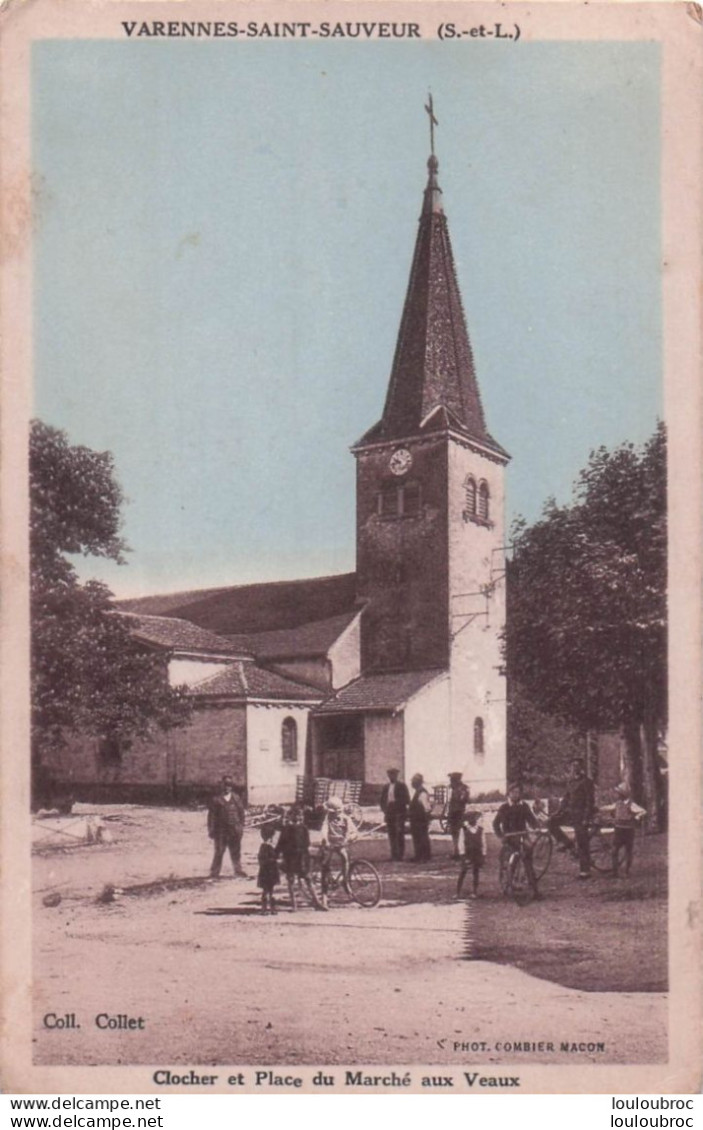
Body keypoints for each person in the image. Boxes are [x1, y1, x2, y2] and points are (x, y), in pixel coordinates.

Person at [548, 759, 596, 879]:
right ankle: (567, 843)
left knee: (582, 840)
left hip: (582, 815)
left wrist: (586, 818)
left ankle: (585, 871)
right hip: (570, 813)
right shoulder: (570, 782)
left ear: (581, 768)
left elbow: (590, 802)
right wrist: (558, 812)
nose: (574, 768)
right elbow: (565, 799)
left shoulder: (587, 782)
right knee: (550, 823)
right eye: (572, 766)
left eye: (577, 766)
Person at [493, 783, 540, 898]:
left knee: (528, 858)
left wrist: (536, 827)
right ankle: (509, 885)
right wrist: (501, 836)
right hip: (510, 838)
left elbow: (531, 819)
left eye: (518, 792)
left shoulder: (524, 806)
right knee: (511, 861)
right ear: (508, 794)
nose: (515, 795)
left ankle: (534, 889)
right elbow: (495, 824)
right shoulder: (504, 807)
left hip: (522, 836)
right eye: (513, 792)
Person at [276, 805, 320, 909]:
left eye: (299, 815)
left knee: (307, 879)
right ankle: (294, 904)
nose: (298, 818)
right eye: (295, 815)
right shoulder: (288, 829)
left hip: (300, 857)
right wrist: (277, 855)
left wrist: (278, 853)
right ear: (291, 816)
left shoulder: (301, 828)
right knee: (292, 880)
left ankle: (316, 902)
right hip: (292, 857)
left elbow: (307, 843)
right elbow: (281, 843)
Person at [318, 796, 356, 910]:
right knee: (325, 866)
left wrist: (350, 837)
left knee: (345, 858)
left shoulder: (346, 819)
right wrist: (326, 840)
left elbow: (353, 831)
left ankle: (345, 881)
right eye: (333, 813)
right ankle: (324, 897)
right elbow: (324, 830)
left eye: (337, 812)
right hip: (329, 844)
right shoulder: (327, 819)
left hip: (341, 844)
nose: (335, 815)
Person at [601, 782, 646, 877]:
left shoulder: (631, 804)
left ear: (623, 794)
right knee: (614, 850)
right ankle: (615, 872)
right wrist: (599, 809)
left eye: (618, 793)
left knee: (628, 851)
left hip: (628, 831)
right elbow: (608, 808)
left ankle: (626, 871)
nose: (616, 795)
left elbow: (643, 811)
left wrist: (637, 816)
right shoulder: (617, 804)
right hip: (618, 830)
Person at [207, 775, 247, 878]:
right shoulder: (216, 800)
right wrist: (211, 830)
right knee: (219, 851)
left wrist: (240, 827)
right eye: (225, 785)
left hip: (234, 830)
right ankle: (215, 872)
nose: (227, 787)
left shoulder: (236, 798)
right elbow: (211, 816)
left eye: (229, 785)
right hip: (221, 831)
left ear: (231, 786)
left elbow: (241, 814)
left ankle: (238, 870)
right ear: (222, 785)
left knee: (236, 851)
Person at [380, 768, 410, 861]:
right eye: (390, 775)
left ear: (396, 776)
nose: (391, 777)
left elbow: (406, 799)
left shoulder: (402, 786)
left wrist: (396, 804)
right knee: (391, 834)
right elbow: (382, 800)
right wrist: (385, 809)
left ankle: (400, 855)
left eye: (393, 775)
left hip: (399, 813)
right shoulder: (386, 787)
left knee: (399, 833)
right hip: (389, 813)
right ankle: (393, 855)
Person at [456, 811, 486, 899]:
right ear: (467, 820)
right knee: (463, 871)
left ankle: (474, 891)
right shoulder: (464, 829)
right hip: (467, 853)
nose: (472, 820)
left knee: (476, 872)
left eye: (474, 818)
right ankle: (458, 892)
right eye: (470, 818)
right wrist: (462, 854)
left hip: (477, 853)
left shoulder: (480, 830)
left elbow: (483, 843)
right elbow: (461, 842)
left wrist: (483, 854)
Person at [408, 773, 432, 862]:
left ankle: (424, 857)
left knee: (422, 837)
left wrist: (426, 819)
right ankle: (418, 856)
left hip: (420, 819)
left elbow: (426, 807)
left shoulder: (422, 793)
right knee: (417, 837)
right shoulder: (418, 792)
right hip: (416, 819)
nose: (412, 784)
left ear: (418, 783)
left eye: (414, 782)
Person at [446, 772, 470, 859]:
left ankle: (459, 852)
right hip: (454, 813)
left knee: (459, 833)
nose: (451, 782)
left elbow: (464, 800)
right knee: (454, 833)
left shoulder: (462, 789)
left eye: (452, 779)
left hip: (458, 813)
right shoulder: (456, 788)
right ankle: (456, 851)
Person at [257, 824, 280, 914]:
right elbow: (270, 858)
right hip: (271, 870)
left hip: (264, 871)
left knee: (266, 890)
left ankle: (265, 909)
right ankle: (270, 909)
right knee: (270, 891)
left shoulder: (262, 846)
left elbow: (260, 859)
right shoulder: (269, 847)